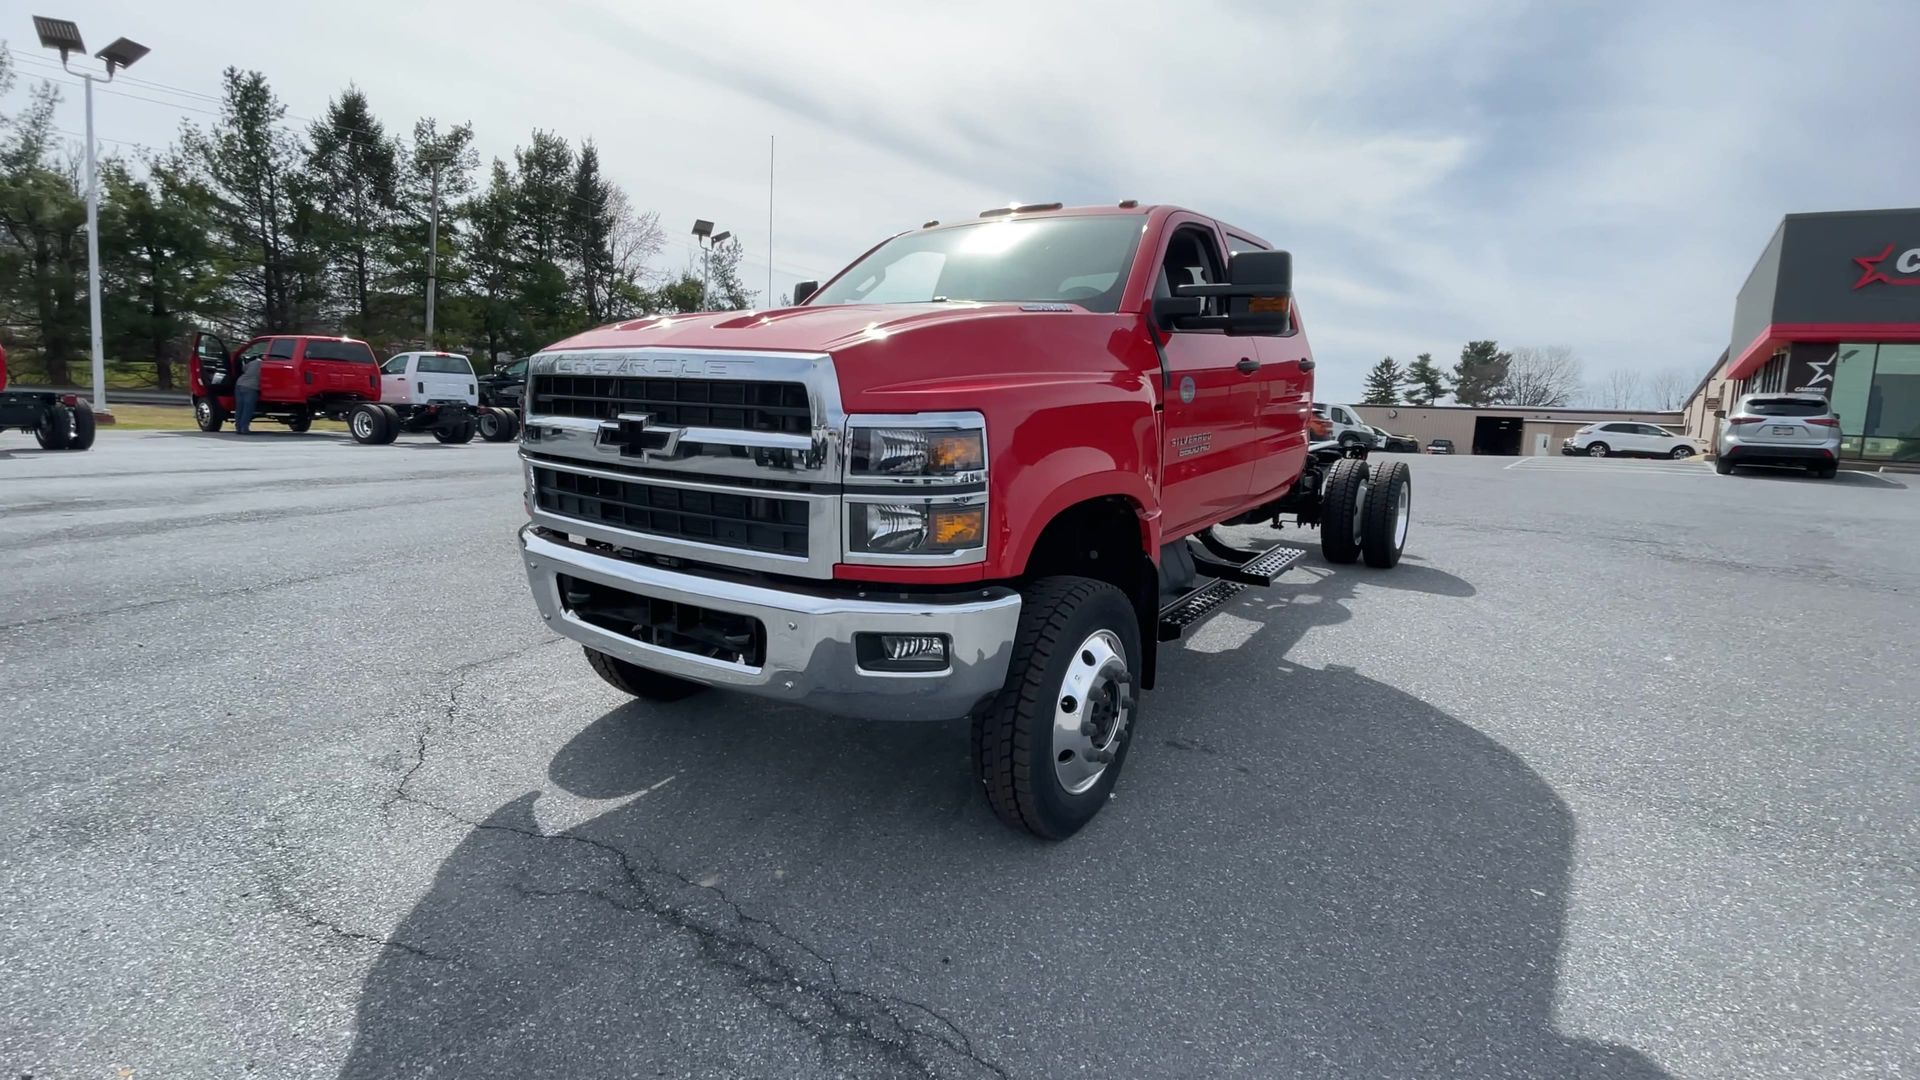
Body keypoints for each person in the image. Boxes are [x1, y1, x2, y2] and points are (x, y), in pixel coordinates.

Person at [234, 348, 262, 434]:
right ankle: (244, 427)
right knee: (248, 408)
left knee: (240, 407)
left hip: (239, 384)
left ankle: (238, 427)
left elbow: (243, 369)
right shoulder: (264, 365)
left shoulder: (252, 363)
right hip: (251, 387)